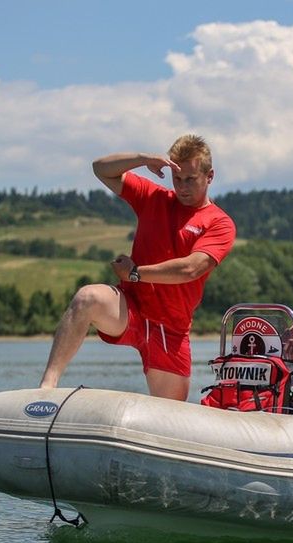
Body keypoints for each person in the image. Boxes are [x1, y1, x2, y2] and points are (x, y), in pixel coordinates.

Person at [39, 134, 236, 401]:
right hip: (131, 308)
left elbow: (191, 269)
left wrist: (135, 273)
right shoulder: (153, 197)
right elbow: (101, 169)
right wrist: (143, 159)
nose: (182, 187)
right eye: (177, 179)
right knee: (88, 297)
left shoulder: (219, 223)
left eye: (190, 179)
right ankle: (46, 388)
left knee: (171, 417)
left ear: (209, 176)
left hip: (171, 330)